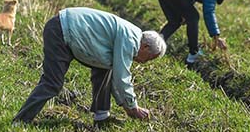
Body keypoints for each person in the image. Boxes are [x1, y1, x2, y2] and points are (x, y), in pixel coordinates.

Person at [13, 7, 166, 124]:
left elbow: (114, 79)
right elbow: (122, 77)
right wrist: (133, 107)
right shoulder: (131, 39)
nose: (145, 63)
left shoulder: (131, 34)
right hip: (61, 31)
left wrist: (126, 106)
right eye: (149, 58)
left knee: (105, 70)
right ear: (145, 47)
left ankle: (101, 117)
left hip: (65, 28)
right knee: (52, 83)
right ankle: (20, 121)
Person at [154, 0, 245, 64]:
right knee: (193, 17)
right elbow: (209, 12)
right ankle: (194, 53)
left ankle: (155, 47)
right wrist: (215, 36)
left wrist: (184, 12)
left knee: (175, 21)